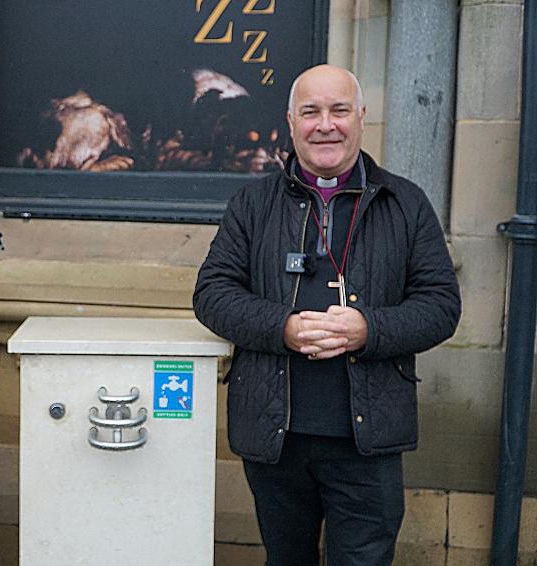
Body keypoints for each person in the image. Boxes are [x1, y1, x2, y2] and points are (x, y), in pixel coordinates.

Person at [192, 65, 461, 565]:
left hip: (368, 440)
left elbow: (441, 306)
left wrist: (370, 329)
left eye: (339, 110)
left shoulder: (407, 204)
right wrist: (283, 327)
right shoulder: (252, 203)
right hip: (275, 436)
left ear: (361, 117)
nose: (325, 125)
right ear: (291, 122)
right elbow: (212, 293)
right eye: (311, 112)